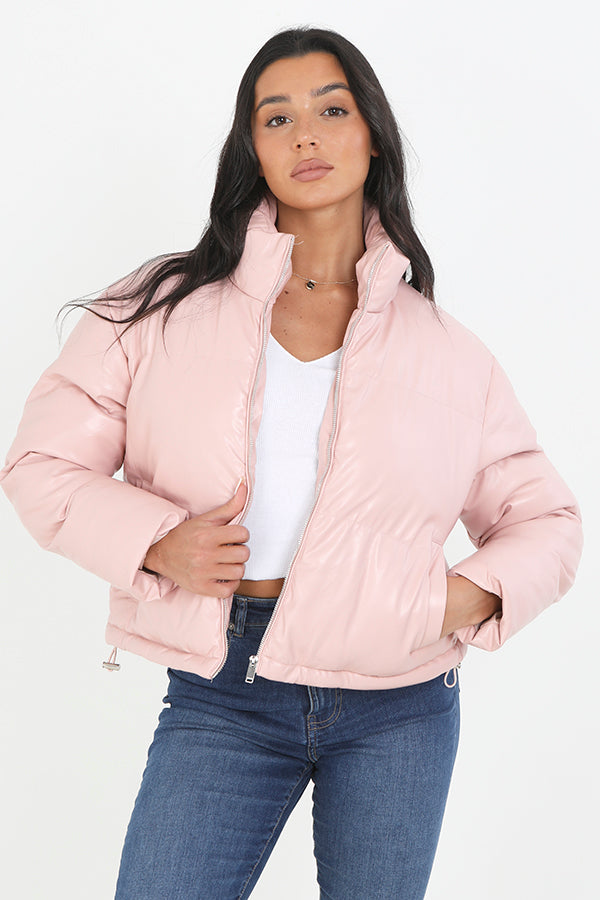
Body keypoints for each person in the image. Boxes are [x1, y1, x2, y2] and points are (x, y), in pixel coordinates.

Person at [0, 25, 583, 900]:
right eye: (277, 118)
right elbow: (40, 463)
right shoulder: (160, 310)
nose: (306, 135)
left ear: (372, 135)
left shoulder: (447, 352)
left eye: (331, 110)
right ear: (254, 149)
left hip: (400, 704)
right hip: (224, 690)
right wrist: (156, 541)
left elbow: (547, 520)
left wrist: (454, 601)